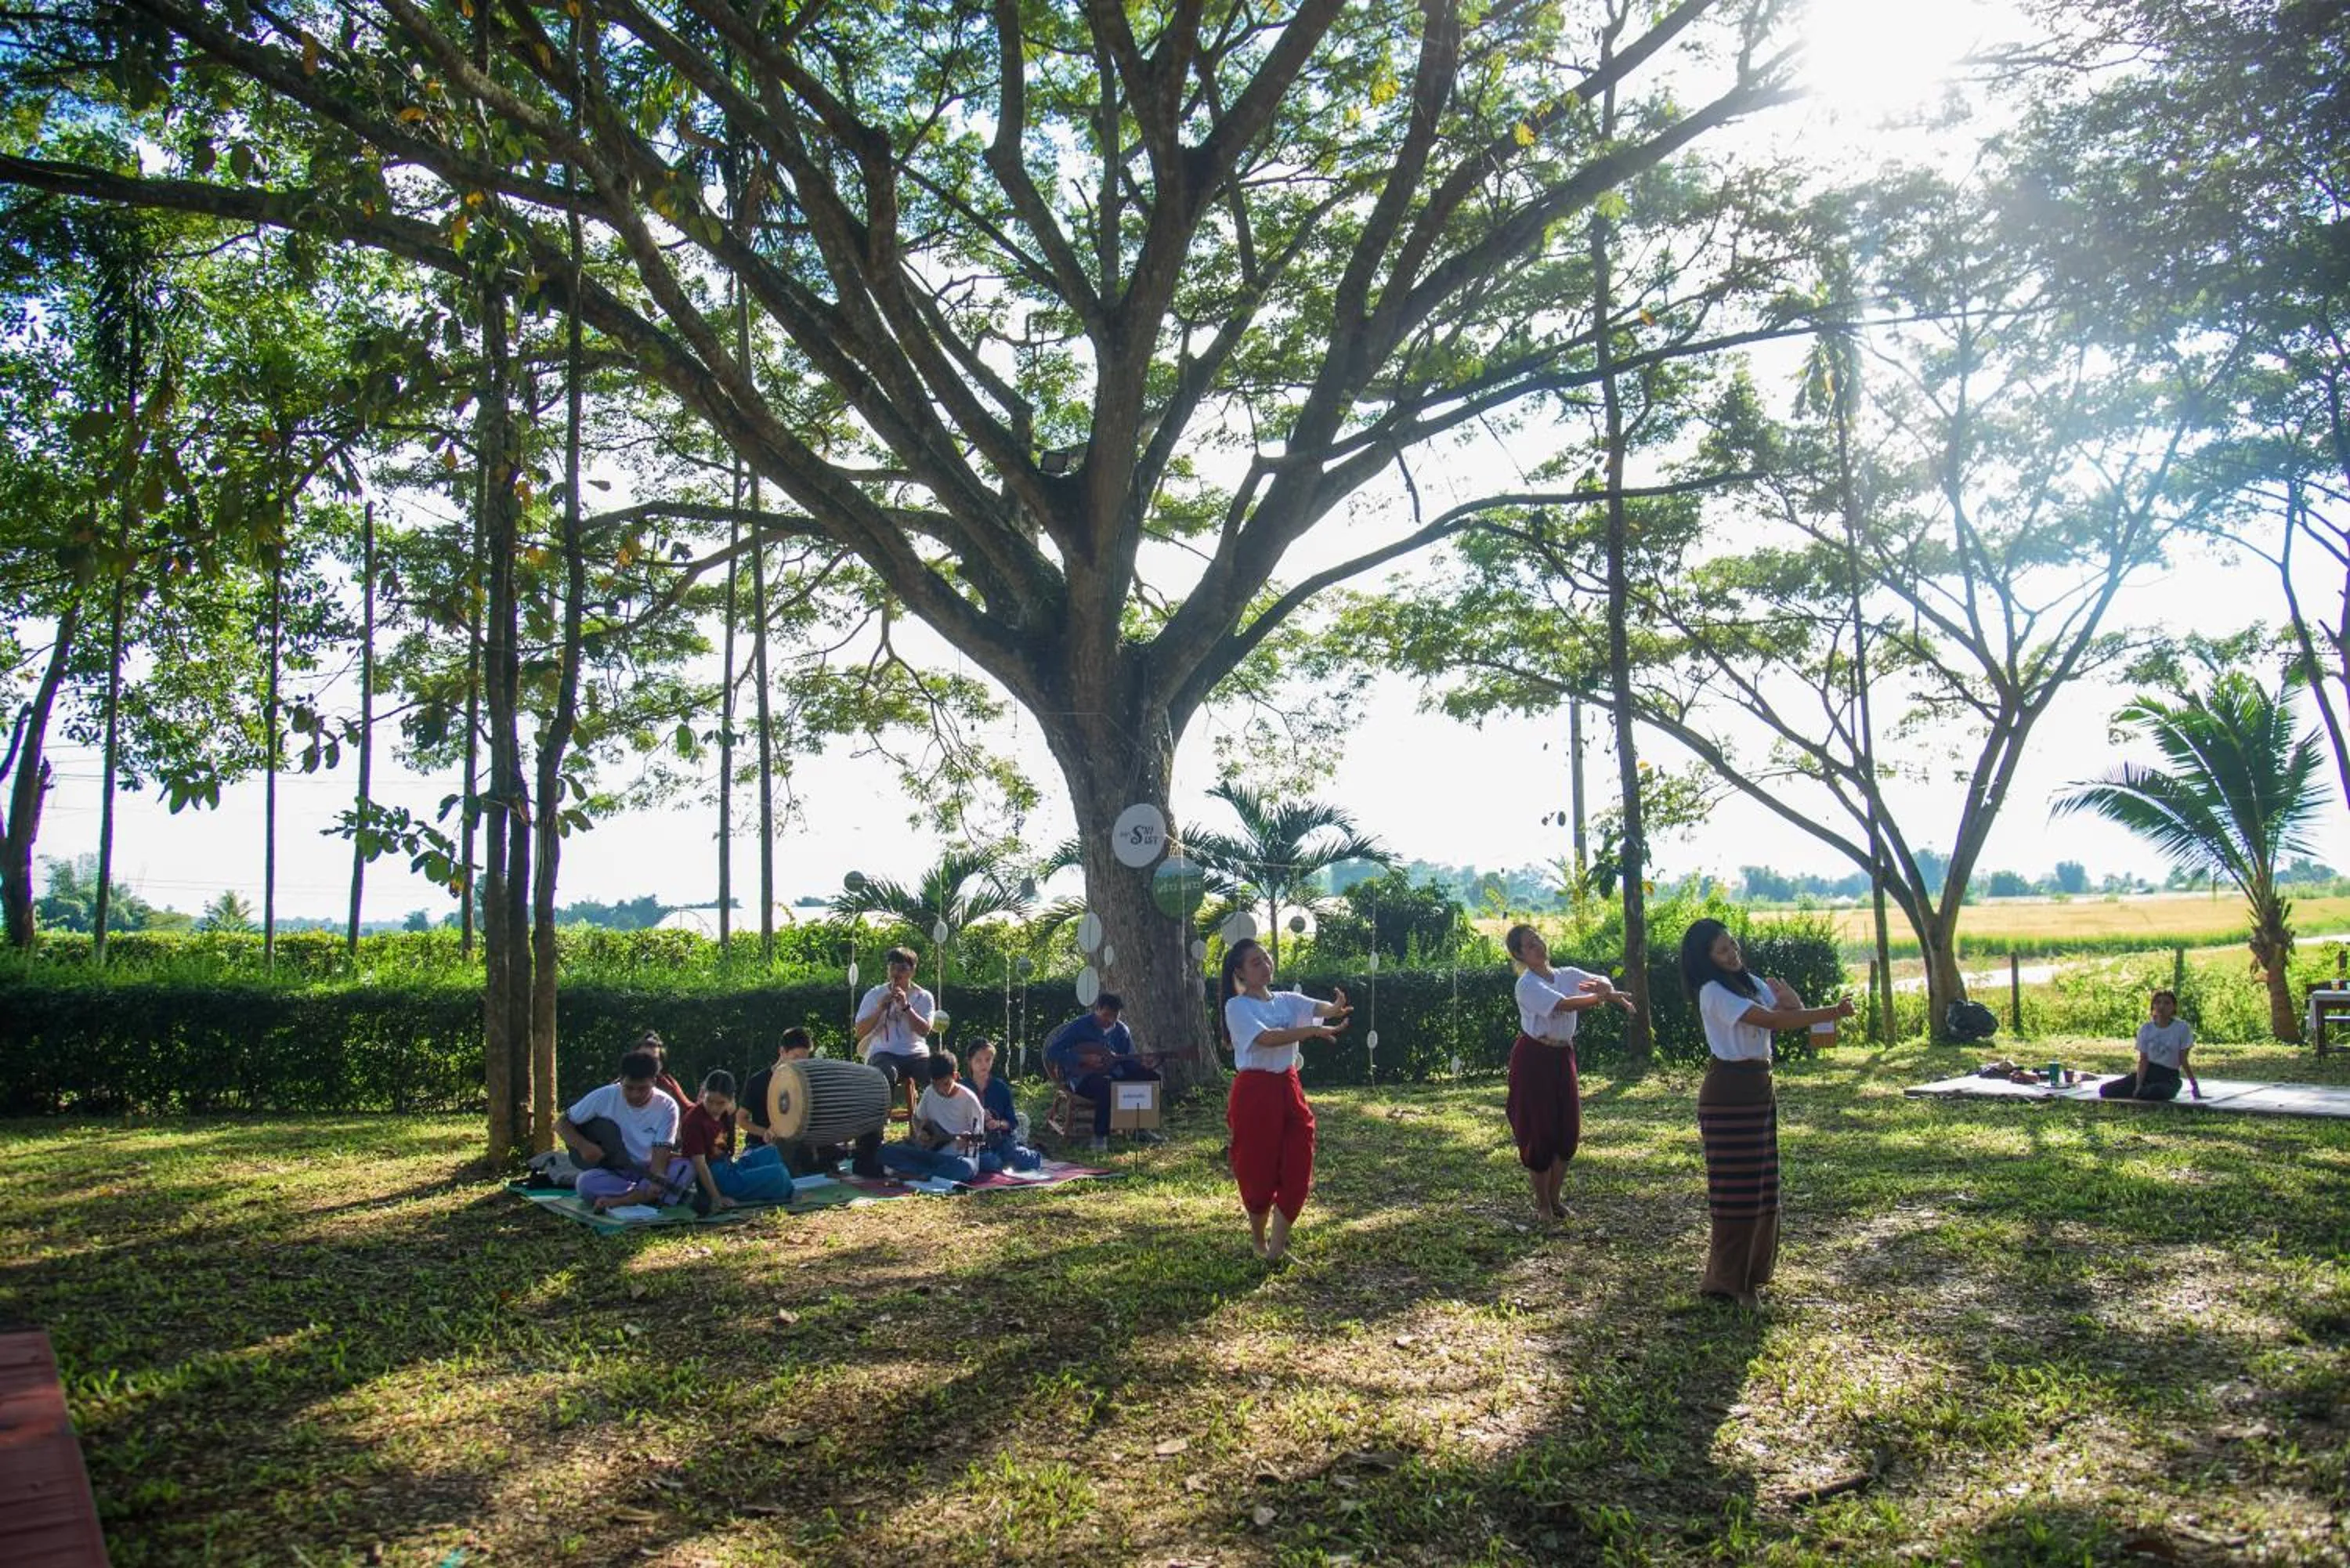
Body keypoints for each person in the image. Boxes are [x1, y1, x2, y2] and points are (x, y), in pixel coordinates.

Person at [1679, 918, 1854, 1310]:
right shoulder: (1713, 992)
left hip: (1759, 1086)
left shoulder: (1748, 982)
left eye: (1733, 945)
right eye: (1722, 950)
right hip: (1729, 1092)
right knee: (1737, 1190)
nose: (1732, 954)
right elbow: (1772, 1020)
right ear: (1705, 959)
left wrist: (1794, 1001)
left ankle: (1750, 1276)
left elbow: (1786, 1015)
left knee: (1762, 1184)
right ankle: (1731, 1281)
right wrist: (1832, 1011)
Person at [1220, 938, 1350, 1263]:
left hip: (1289, 1086)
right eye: (1256, 962)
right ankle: (1259, 1243)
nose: (1266, 966)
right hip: (1254, 1092)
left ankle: (1276, 1250)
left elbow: (1319, 1008)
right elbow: (1266, 1038)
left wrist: (1335, 1007)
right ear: (1240, 972)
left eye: (1266, 958)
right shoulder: (1237, 1007)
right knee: (1257, 1167)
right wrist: (1312, 1032)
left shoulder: (1287, 1000)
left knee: (1299, 1162)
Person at [1505, 923, 1634, 1224]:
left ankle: (1555, 1199)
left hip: (1563, 1055)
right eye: (1529, 945)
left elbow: (1599, 980)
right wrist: (1601, 998)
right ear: (1520, 955)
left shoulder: (1567, 975)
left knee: (1567, 1127)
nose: (1538, 946)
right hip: (1534, 1058)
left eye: (1538, 939)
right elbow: (1562, 1004)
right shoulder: (1527, 985)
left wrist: (1605, 989)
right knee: (1540, 1128)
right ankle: (1542, 1205)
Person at [557, 1048, 692, 1212]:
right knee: (584, 1183)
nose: (635, 1095)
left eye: (642, 1089)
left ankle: (626, 1199)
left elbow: (661, 1152)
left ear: (654, 1082)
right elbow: (561, 1123)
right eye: (629, 1088)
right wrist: (583, 1146)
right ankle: (646, 1197)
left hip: (647, 1170)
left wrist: (657, 1177)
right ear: (620, 1080)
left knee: (686, 1168)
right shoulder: (604, 1096)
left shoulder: (667, 1106)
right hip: (613, 1172)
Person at [1044, 992, 1164, 1151]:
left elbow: (1128, 1060)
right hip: (1083, 1078)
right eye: (1106, 1015)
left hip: (1113, 1074)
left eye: (1115, 1016)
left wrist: (1142, 1065)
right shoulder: (1080, 1026)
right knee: (1106, 1087)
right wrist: (1082, 1058)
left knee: (1151, 1077)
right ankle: (1100, 1137)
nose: (1110, 1020)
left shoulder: (1121, 1031)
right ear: (1097, 1009)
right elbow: (1052, 1052)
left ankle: (1139, 1128)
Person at [679, 1069, 795, 1212]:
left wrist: (729, 1110)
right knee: (779, 1175)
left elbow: (732, 1113)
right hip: (716, 1177)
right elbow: (700, 1165)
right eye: (709, 1101)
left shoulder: (726, 1113)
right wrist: (717, 1198)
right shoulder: (694, 1121)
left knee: (771, 1152)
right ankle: (778, 1189)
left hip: (729, 1167)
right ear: (703, 1093)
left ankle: (772, 1189)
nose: (714, 1108)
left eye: (720, 1103)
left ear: (730, 1100)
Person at [738, 1028, 844, 1175]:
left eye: (804, 1060)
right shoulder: (758, 1081)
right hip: (763, 1144)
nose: (800, 1063)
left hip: (794, 1142)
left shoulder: (805, 1082)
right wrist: (765, 1132)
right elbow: (741, 1119)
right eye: (796, 1057)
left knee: (829, 1154)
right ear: (782, 1052)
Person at [879, 1053, 985, 1185]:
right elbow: (917, 1118)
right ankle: (925, 1174)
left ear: (955, 1076)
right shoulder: (930, 1092)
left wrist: (967, 1142)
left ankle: (915, 1174)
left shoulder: (969, 1100)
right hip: (930, 1155)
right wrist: (919, 1132)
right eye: (935, 1084)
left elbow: (979, 1137)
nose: (941, 1090)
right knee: (884, 1152)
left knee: (964, 1169)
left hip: (958, 1159)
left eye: (946, 1084)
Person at [853, 947, 936, 1107]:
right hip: (883, 1052)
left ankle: (930, 1119)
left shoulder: (923, 996)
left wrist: (906, 1007)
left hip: (916, 1054)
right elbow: (860, 1032)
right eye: (892, 967)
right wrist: (880, 1009)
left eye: (902, 968)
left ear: (913, 971)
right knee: (885, 1075)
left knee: (935, 1075)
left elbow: (924, 1030)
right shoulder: (874, 995)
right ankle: (879, 1121)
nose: (896, 973)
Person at [2100, 989, 2203, 1102]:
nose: (2162, 1006)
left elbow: (2183, 1059)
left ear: (2174, 1007)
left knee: (2155, 1092)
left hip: (2169, 1077)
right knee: (2106, 1090)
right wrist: (2138, 1085)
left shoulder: (2182, 1028)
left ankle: (2145, 1092)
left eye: (2167, 1003)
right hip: (2148, 1073)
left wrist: (2194, 1085)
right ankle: (2140, 1091)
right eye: (2158, 1002)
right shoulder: (2146, 1028)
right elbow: (2143, 1060)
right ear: (2153, 1006)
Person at [964, 1038, 1042, 1173]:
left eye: (988, 1060)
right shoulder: (963, 1088)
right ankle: (998, 1161)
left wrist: (997, 1124)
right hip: (974, 1144)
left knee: (1028, 1161)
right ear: (970, 1061)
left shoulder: (1000, 1087)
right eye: (978, 1060)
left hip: (1000, 1141)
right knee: (990, 1162)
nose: (984, 1064)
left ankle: (1023, 1153)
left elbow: (1012, 1122)